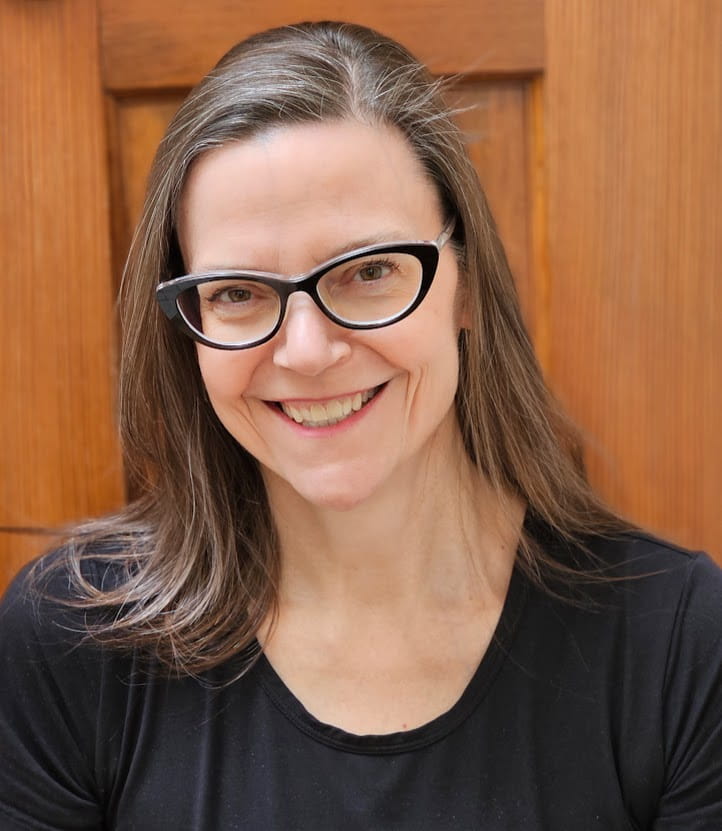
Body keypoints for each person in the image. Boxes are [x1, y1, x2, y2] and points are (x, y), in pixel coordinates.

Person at [1, 21, 720, 830]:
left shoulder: (679, 640)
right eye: (237, 291)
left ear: (468, 282)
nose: (306, 351)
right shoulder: (73, 639)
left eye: (370, 271)